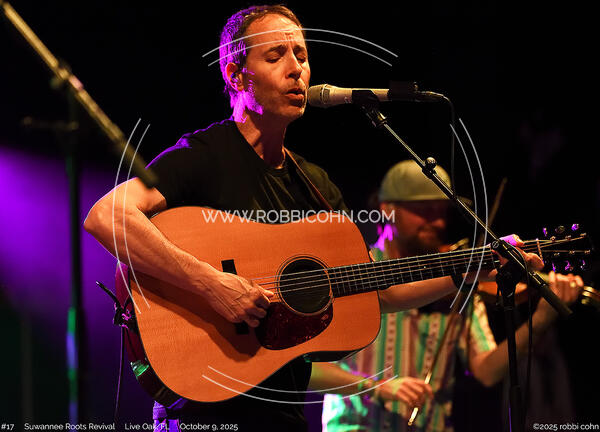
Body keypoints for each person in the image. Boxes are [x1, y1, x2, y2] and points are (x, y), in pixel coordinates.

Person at [83, 6, 544, 432]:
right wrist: (212, 284)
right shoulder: (206, 155)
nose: (296, 69)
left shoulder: (317, 185)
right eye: (276, 55)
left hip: (282, 413)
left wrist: (468, 270)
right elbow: (107, 216)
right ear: (236, 74)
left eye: (302, 55)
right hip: (202, 410)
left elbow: (376, 290)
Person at [311, 160, 583, 432]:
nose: (438, 222)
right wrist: (375, 387)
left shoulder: (457, 281)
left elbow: (487, 371)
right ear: (388, 209)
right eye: (424, 211)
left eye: (441, 212)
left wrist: (541, 320)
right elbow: (307, 370)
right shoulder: (352, 274)